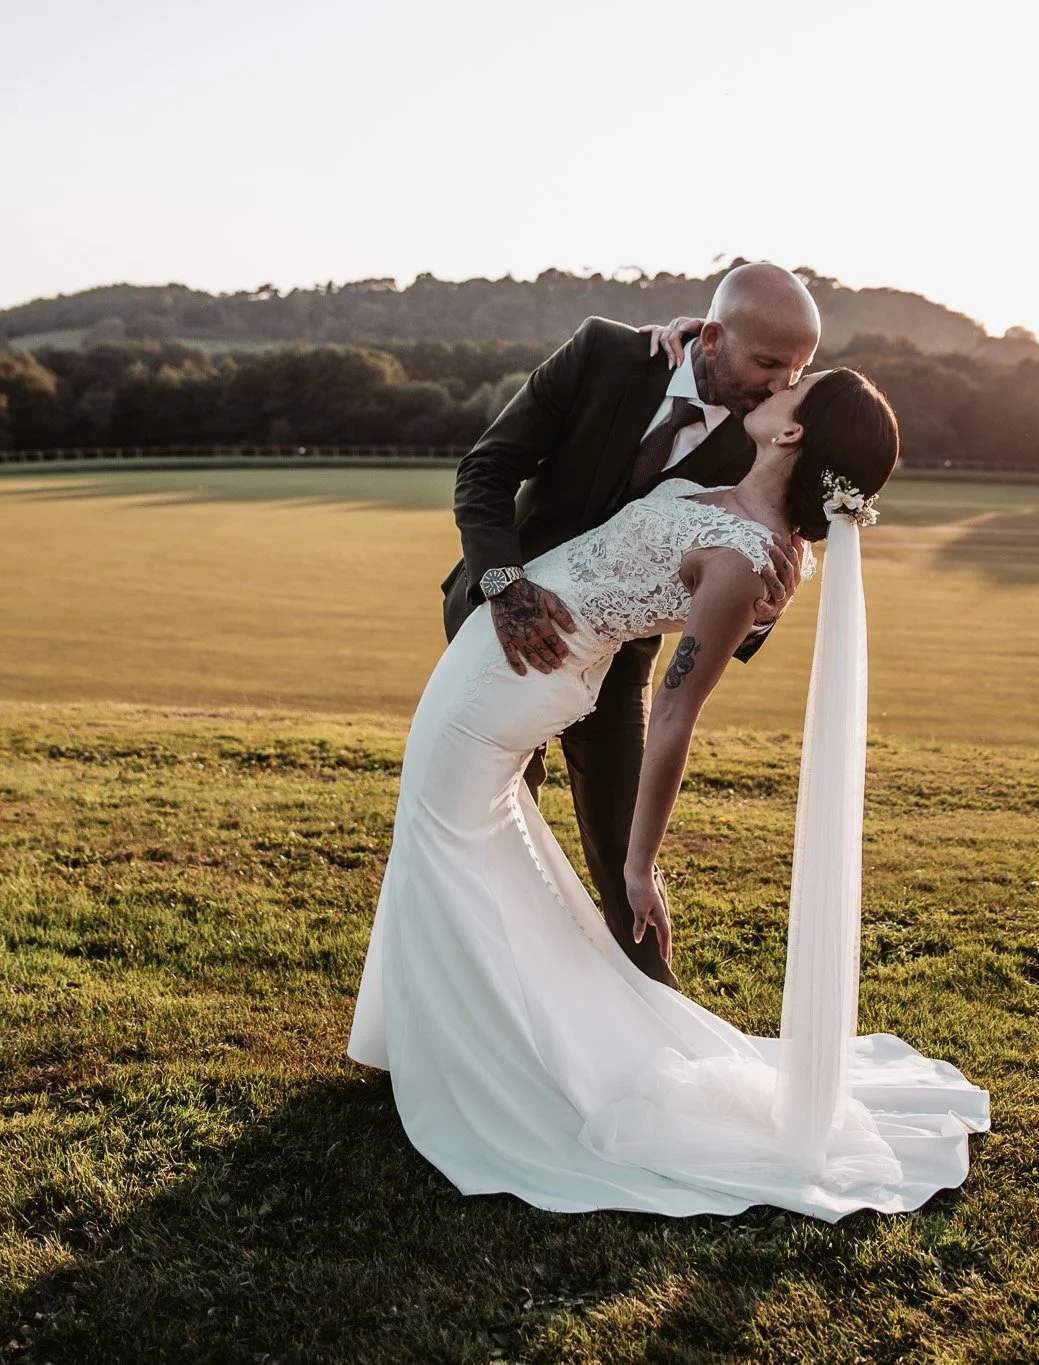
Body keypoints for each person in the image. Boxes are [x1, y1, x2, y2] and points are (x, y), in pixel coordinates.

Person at [347, 367, 991, 1221]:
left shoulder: (745, 560)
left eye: (797, 391)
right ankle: (426, 1036)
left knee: (440, 838)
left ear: (793, 434)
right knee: (478, 847)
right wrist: (680, 339)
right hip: (516, 661)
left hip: (511, 679)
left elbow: (675, 715)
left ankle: (484, 1067)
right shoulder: (743, 509)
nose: (781, 389)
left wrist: (641, 861)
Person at [442, 263, 822, 990]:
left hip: (618, 662)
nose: (781, 384)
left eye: (796, 371)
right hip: (501, 632)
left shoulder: (763, 444)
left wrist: (766, 612)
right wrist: (506, 589)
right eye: (768, 362)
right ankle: (489, 1003)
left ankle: (665, 1030)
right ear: (709, 336)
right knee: (487, 826)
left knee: (624, 852)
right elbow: (484, 472)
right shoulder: (607, 355)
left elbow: (733, 602)